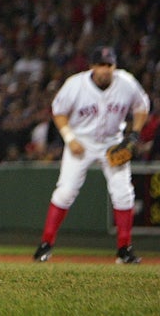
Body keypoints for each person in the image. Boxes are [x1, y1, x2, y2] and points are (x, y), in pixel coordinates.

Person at [33, 45, 150, 264]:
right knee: (65, 191)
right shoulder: (75, 85)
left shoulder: (126, 83)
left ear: (115, 66)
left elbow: (142, 107)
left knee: (124, 193)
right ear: (92, 67)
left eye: (109, 65)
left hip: (112, 142)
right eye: (101, 65)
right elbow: (58, 112)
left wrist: (133, 136)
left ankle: (124, 250)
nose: (106, 70)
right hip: (81, 141)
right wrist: (69, 138)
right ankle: (45, 245)